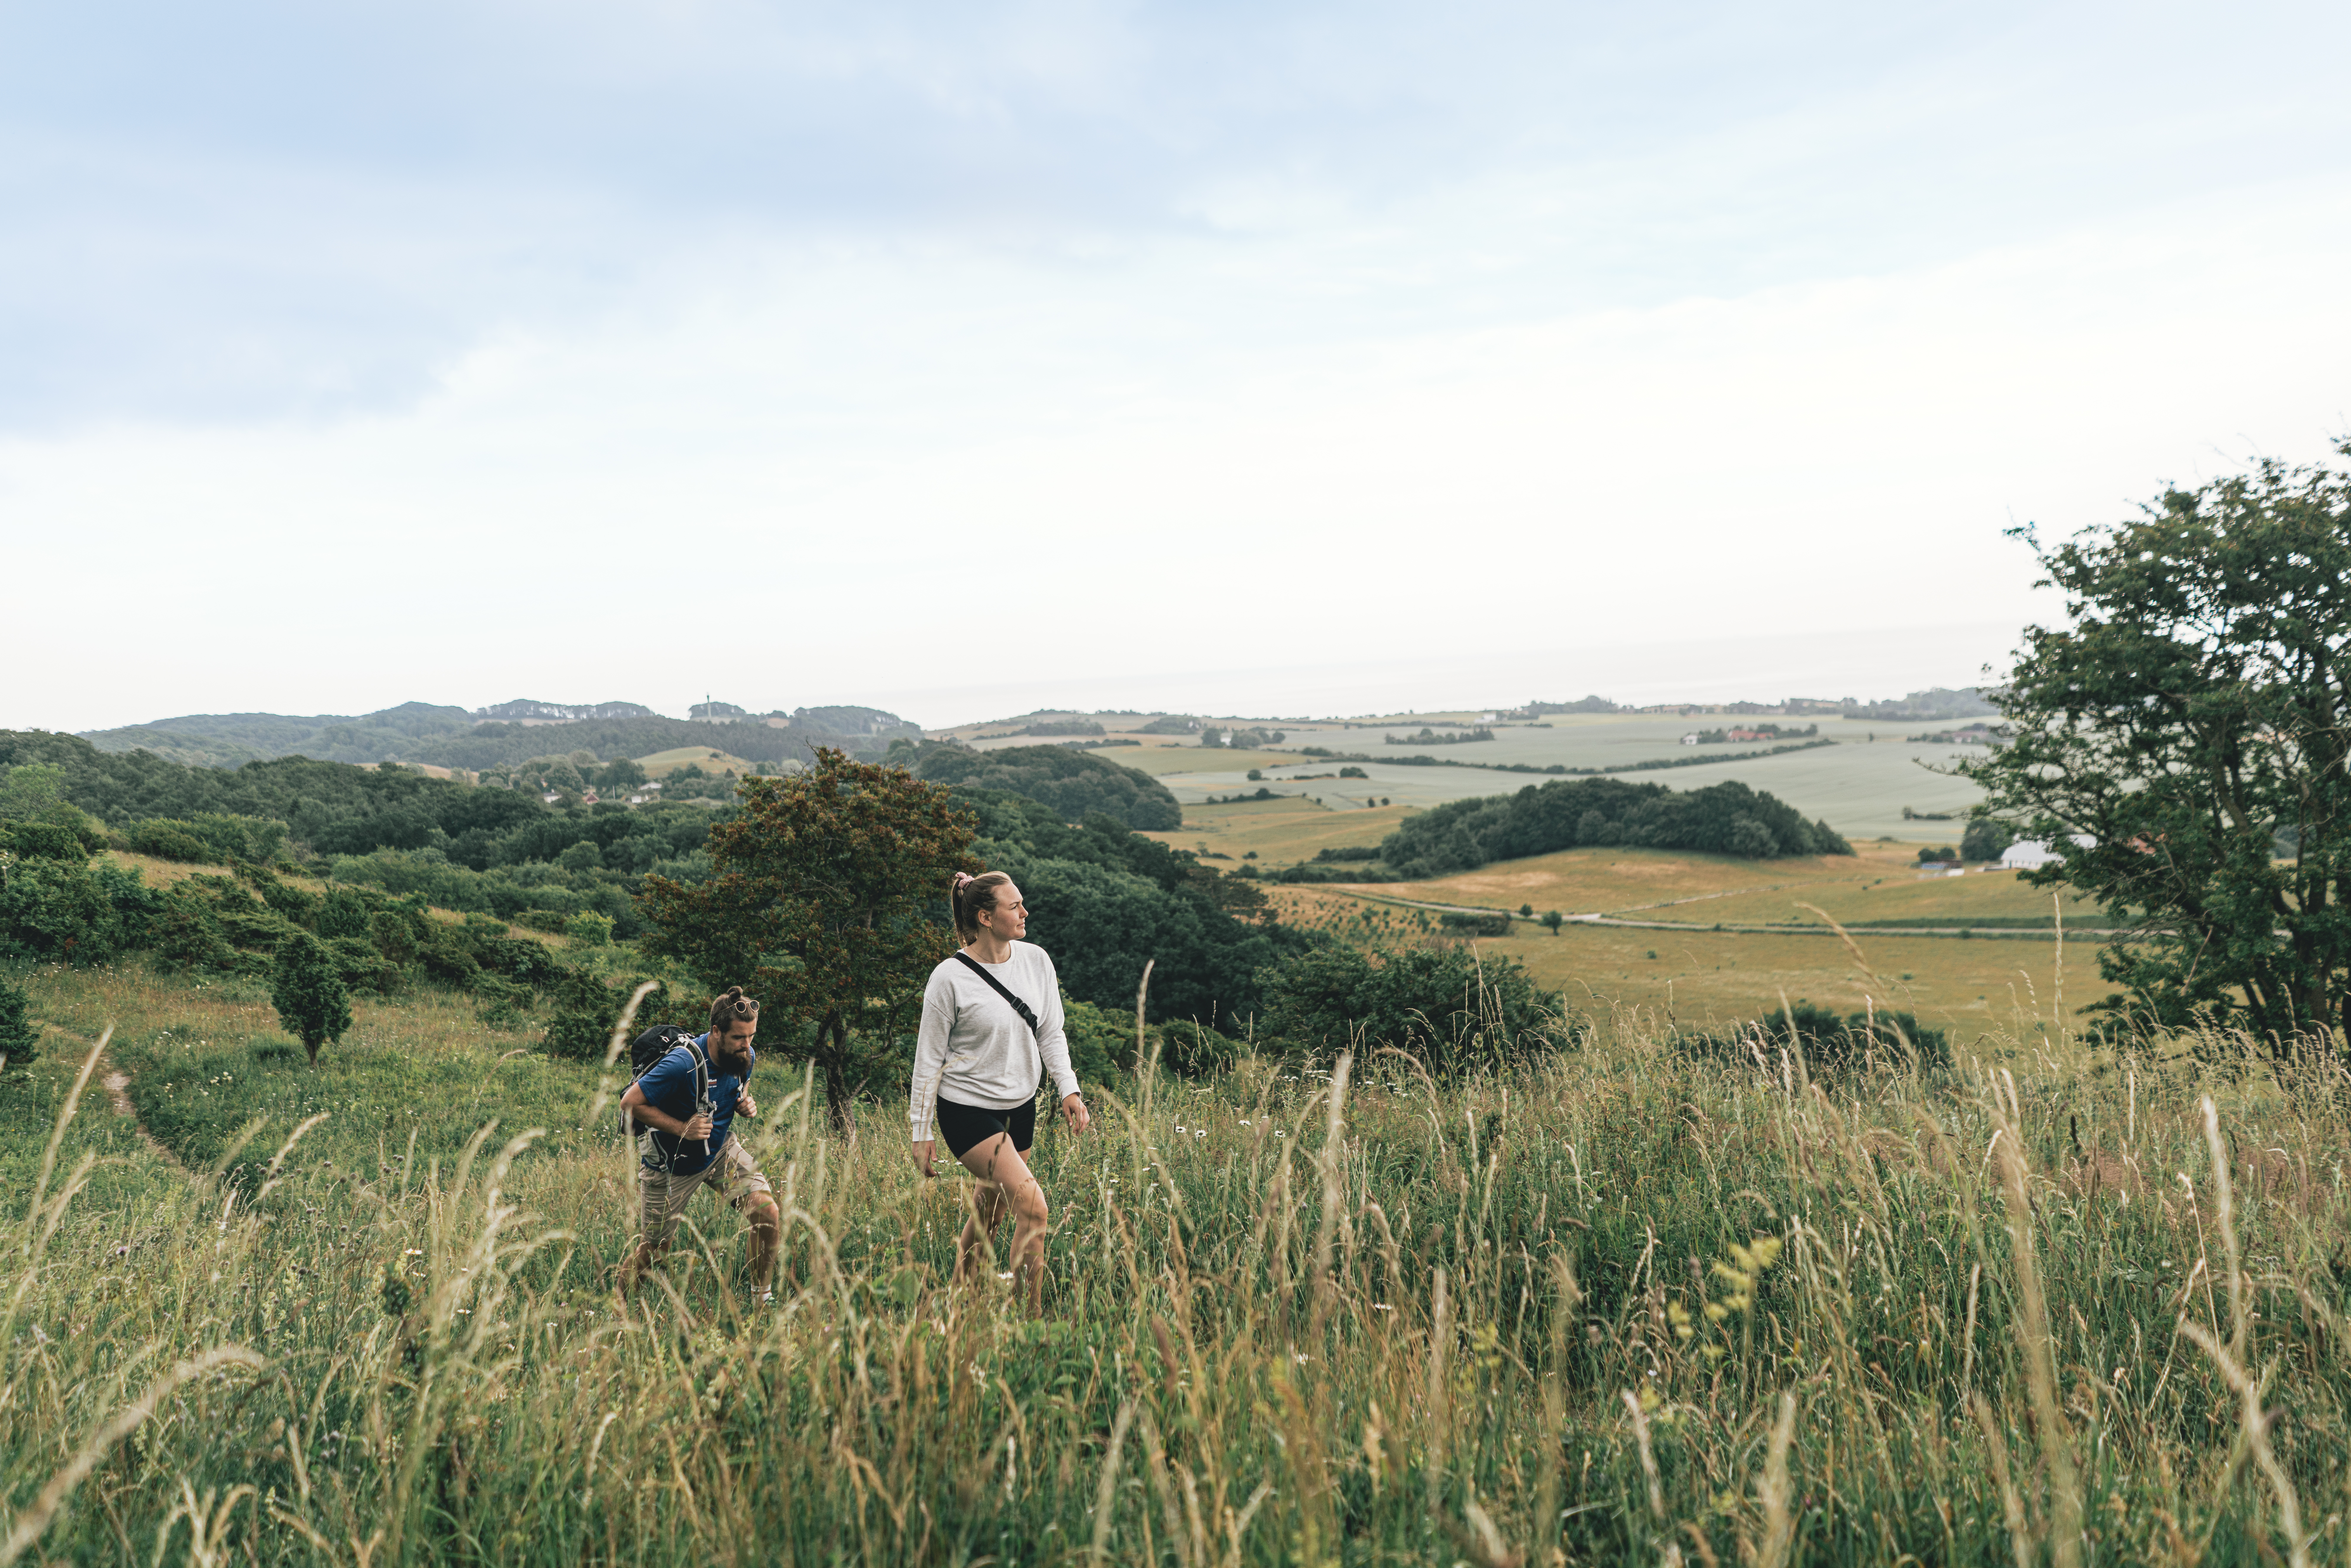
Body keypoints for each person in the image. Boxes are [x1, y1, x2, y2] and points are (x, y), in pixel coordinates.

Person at [910, 871, 1090, 1311]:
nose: (1025, 912)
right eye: (1014, 907)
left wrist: (1068, 1089)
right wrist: (921, 1131)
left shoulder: (1036, 961)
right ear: (986, 918)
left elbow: (1051, 1031)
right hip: (966, 1110)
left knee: (990, 1213)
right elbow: (928, 1059)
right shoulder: (948, 978)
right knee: (1033, 1207)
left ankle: (960, 1306)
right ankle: (1029, 1321)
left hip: (1020, 1106)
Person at [619, 986, 782, 1303]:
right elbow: (629, 1104)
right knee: (656, 1251)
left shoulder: (745, 1055)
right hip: (671, 1165)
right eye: (739, 1037)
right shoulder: (682, 1064)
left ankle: (761, 1299)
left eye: (752, 1036)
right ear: (716, 1031)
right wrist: (683, 1129)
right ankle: (618, 1307)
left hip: (719, 1152)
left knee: (768, 1215)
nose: (747, 1045)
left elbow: (739, 1086)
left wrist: (745, 1103)